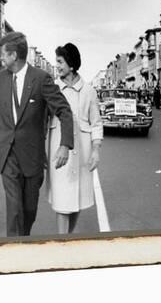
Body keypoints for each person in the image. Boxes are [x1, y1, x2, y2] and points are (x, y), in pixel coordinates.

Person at [0, 32, 74, 237]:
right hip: (8, 154)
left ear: (13, 55)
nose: (1, 58)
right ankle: (15, 250)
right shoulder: (2, 77)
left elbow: (64, 111)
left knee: (28, 210)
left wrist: (65, 145)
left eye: (3, 54)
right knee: (14, 208)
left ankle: (23, 238)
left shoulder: (41, 79)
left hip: (32, 157)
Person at [46, 43, 103, 234]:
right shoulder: (52, 88)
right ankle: (64, 242)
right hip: (59, 150)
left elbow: (96, 123)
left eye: (60, 61)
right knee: (62, 200)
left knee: (78, 200)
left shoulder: (88, 91)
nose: (57, 66)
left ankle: (67, 237)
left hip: (83, 152)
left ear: (71, 64)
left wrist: (95, 150)